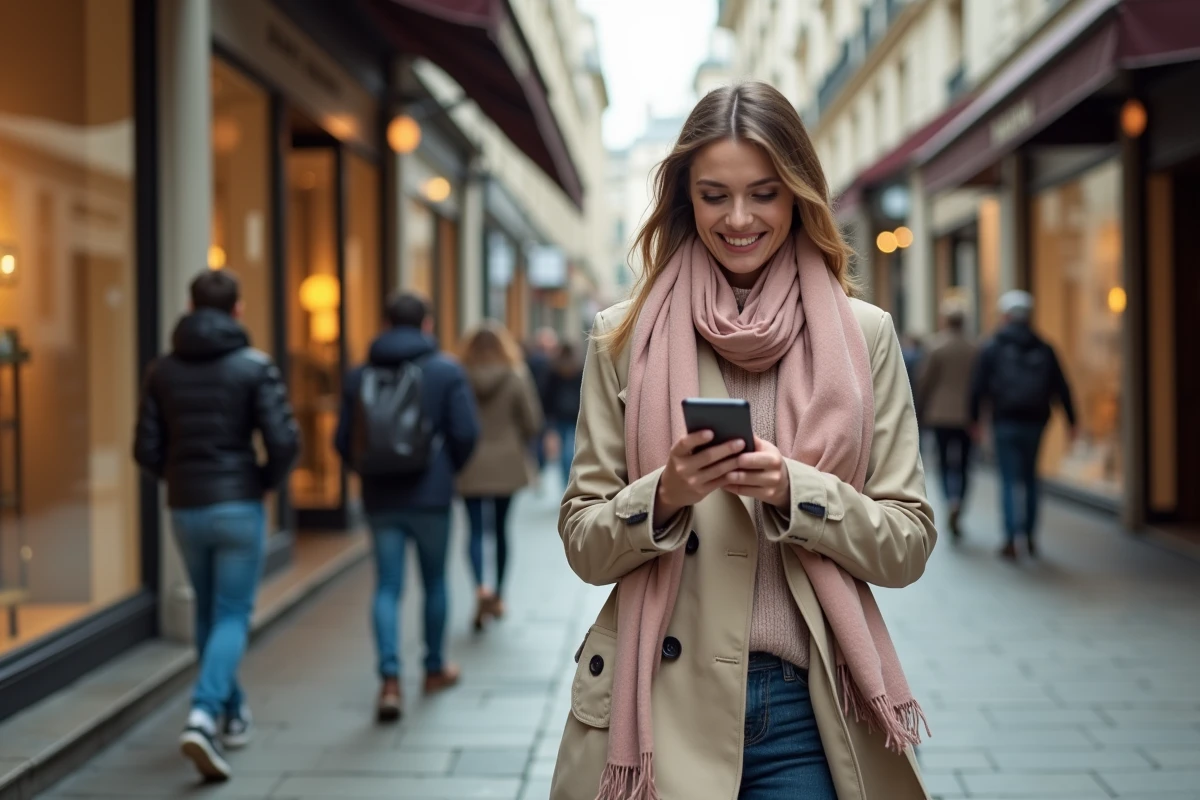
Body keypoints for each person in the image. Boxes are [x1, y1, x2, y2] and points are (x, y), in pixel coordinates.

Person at [551, 82, 935, 800]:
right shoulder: (623, 338)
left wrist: (799, 491)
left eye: (763, 193)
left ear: (797, 196)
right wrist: (664, 495)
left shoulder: (864, 336)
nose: (737, 218)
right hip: (660, 705)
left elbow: (908, 542)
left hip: (809, 708)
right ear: (684, 200)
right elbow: (582, 540)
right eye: (713, 195)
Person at [134, 269, 299, 782]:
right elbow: (285, 440)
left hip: (185, 507)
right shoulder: (254, 366)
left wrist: (179, 478)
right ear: (238, 310)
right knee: (231, 614)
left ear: (190, 305)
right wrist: (263, 480)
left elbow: (145, 448)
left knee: (209, 613)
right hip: (238, 504)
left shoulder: (162, 370)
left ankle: (232, 711)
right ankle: (204, 714)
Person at [334, 292, 479, 722]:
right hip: (431, 498)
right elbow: (467, 432)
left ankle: (390, 681)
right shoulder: (445, 371)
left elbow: (343, 440)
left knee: (386, 587)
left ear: (385, 322)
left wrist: (367, 471)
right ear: (427, 325)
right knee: (435, 583)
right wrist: (444, 470)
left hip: (380, 498)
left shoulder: (359, 374)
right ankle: (434, 669)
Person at [969, 289, 1076, 560]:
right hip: (1036, 422)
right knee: (1030, 478)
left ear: (1006, 316)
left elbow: (978, 387)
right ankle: (1028, 536)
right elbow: (1062, 386)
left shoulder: (992, 347)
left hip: (1005, 421)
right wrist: (1072, 421)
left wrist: (973, 420)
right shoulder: (1044, 347)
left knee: (1008, 478)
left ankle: (1010, 537)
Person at [456, 322, 542, 631]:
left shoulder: (460, 377)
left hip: (470, 464)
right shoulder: (515, 375)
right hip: (507, 463)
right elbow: (532, 421)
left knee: (476, 531)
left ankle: (481, 588)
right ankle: (500, 595)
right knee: (502, 531)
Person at [915, 301, 978, 540]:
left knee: (942, 462)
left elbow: (924, 381)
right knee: (963, 463)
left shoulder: (935, 346)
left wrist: (919, 409)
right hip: (966, 416)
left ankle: (948, 499)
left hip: (939, 414)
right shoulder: (974, 347)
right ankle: (958, 500)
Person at [545, 341, 585, 490]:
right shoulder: (580, 368)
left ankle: (566, 483)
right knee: (573, 449)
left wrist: (548, 418)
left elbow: (547, 394)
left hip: (559, 414)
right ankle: (573, 481)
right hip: (576, 414)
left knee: (563, 452)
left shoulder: (554, 368)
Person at [525, 327, 559, 475]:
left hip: (535, 406)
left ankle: (537, 467)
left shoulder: (528, 362)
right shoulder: (551, 364)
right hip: (545, 407)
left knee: (536, 441)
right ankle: (539, 465)